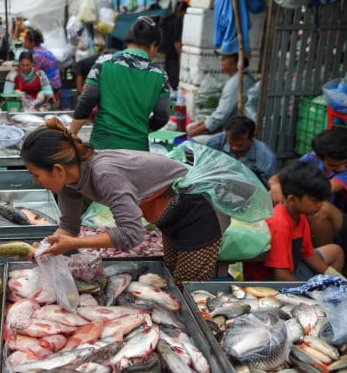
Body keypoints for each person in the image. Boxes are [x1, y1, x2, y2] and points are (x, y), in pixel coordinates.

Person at [20, 117, 227, 284]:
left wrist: (75, 243)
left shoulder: (104, 173)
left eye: (35, 174)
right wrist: (45, 248)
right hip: (169, 216)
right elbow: (69, 225)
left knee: (186, 286)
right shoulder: (69, 181)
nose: (34, 181)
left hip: (199, 211)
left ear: (58, 169)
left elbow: (132, 233)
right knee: (173, 278)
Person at [70, 16, 172, 151]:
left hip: (103, 148)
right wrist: (140, 130)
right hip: (137, 150)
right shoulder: (160, 75)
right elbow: (162, 115)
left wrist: (70, 136)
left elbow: (86, 102)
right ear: (153, 45)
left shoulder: (104, 63)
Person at [244, 161, 345, 281]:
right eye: (315, 200)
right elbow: (281, 275)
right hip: (270, 280)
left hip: (292, 266)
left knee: (336, 252)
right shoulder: (279, 223)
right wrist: (307, 293)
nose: (320, 205)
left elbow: (308, 253)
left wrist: (335, 276)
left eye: (322, 200)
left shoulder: (299, 213)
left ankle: (328, 286)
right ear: (292, 199)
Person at [269, 128, 347, 249]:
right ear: (318, 157)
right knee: (276, 196)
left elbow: (323, 190)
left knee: (320, 209)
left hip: (341, 221)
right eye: (333, 165)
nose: (342, 168)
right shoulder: (311, 157)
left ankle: (323, 256)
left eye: (345, 163)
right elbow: (275, 179)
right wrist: (276, 187)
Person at [186, 49, 256, 142]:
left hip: (237, 132)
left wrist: (192, 134)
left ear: (237, 61)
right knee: (190, 127)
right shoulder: (239, 79)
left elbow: (220, 116)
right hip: (230, 126)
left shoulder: (237, 82)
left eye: (226, 58)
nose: (222, 60)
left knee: (193, 142)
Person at [206, 116, 277, 187]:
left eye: (240, 145)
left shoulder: (267, 157)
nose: (234, 148)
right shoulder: (214, 143)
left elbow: (268, 186)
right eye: (230, 143)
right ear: (226, 134)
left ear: (252, 138)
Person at [23, 28, 61, 101]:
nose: (24, 42)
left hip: (51, 83)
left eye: (26, 40)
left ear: (32, 42)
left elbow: (32, 72)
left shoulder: (36, 55)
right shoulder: (42, 49)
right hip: (55, 81)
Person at [159, 0, 188, 90]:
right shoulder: (177, 22)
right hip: (171, 56)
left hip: (160, 53)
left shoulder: (166, 19)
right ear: (182, 11)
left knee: (161, 80)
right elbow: (177, 42)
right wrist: (182, 57)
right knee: (172, 82)